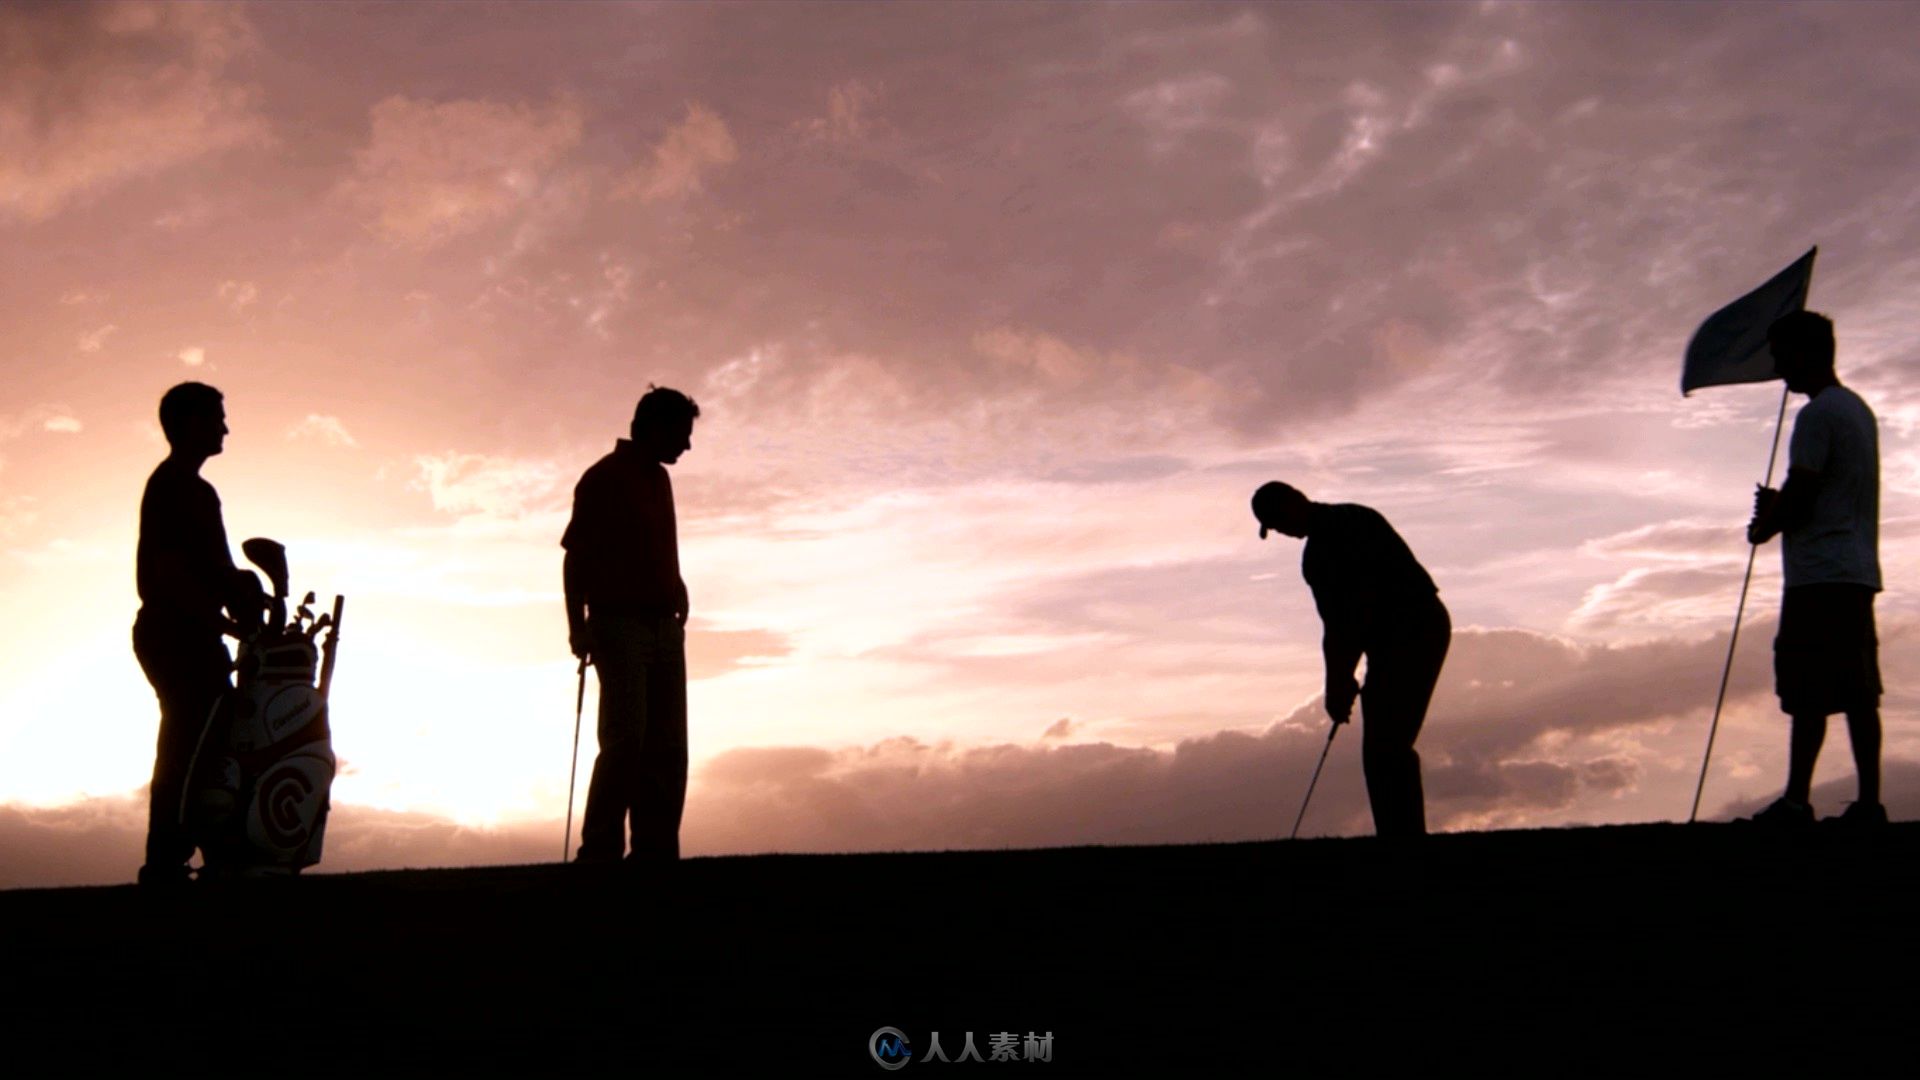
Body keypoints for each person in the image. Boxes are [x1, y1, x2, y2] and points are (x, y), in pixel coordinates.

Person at [1743, 310, 1884, 829]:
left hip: (1820, 573)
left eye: (1782, 357)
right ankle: (1869, 803)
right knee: (1857, 692)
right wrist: (1782, 506)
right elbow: (1827, 490)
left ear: (1806, 353)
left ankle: (1797, 802)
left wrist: (1768, 524)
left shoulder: (1816, 416)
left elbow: (1803, 495)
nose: (1780, 370)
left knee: (1809, 692)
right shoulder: (1856, 411)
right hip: (1854, 568)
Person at [1253, 482, 1450, 838]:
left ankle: (1402, 838)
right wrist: (1340, 677)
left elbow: (1349, 620)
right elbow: (1343, 626)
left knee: (1385, 745)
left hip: (1414, 630)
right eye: (1273, 526)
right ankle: (1399, 834)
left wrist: (1339, 681)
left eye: (1278, 521)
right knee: (1384, 743)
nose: (1281, 531)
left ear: (1296, 502)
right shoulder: (1355, 516)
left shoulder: (1327, 548)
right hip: (1412, 631)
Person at [562, 386, 698, 864]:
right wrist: (577, 626)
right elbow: (576, 557)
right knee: (627, 740)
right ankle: (598, 851)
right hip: (618, 624)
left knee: (668, 747)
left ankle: (655, 853)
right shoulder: (602, 478)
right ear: (655, 427)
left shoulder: (660, 480)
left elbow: (659, 543)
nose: (686, 445)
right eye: (681, 433)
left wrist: (677, 582)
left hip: (664, 627)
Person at [133, 382, 239, 886]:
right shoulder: (171, 486)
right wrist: (223, 620)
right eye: (215, 417)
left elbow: (222, 570)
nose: (224, 427)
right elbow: (170, 575)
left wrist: (253, 599)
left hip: (196, 632)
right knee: (187, 743)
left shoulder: (201, 492)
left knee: (213, 739)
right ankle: (165, 862)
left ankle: (214, 849)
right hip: (174, 633)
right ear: (186, 423)